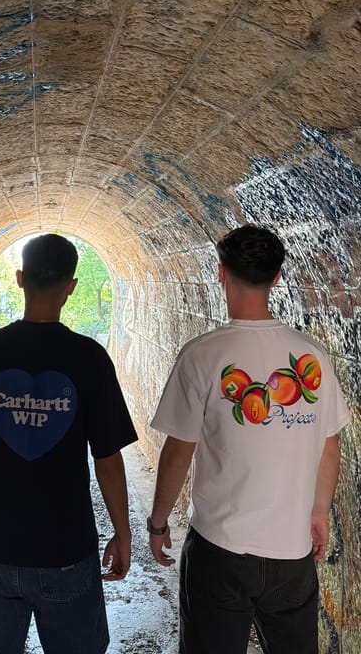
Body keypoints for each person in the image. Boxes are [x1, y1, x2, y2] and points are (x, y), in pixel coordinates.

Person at [0, 233, 137, 654]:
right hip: (67, 550)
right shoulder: (89, 358)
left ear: (19, 279)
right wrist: (123, 533)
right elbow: (107, 459)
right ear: (71, 285)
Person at [147, 224, 350, 654]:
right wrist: (317, 514)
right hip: (292, 554)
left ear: (221, 274)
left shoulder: (203, 354)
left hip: (221, 551)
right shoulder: (312, 355)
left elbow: (179, 451)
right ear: (277, 278)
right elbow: (328, 445)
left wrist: (159, 522)